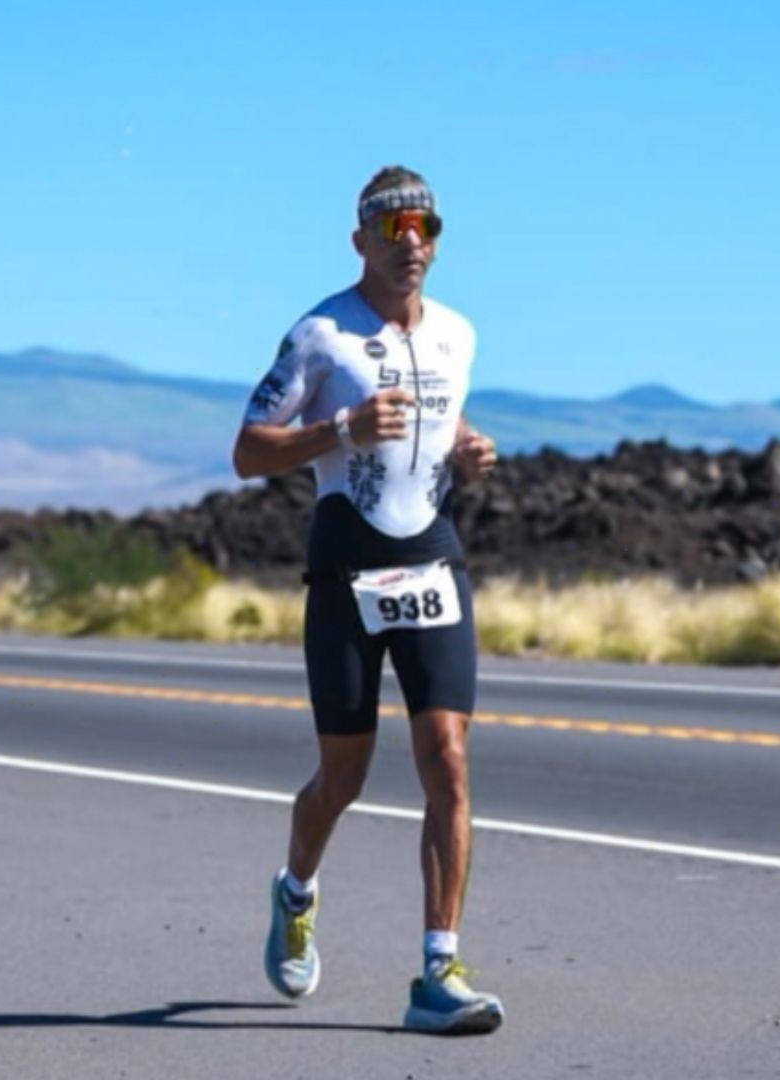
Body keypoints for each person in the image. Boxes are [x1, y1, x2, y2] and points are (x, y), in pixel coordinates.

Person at [232, 165, 503, 1035]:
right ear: (361, 241)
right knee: (343, 777)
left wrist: (464, 447)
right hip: (347, 571)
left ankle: (437, 971)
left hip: (432, 563)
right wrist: (339, 431)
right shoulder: (321, 335)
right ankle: (297, 888)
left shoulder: (461, 334)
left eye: (425, 227)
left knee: (448, 762)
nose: (411, 243)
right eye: (393, 230)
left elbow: (438, 409)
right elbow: (247, 450)